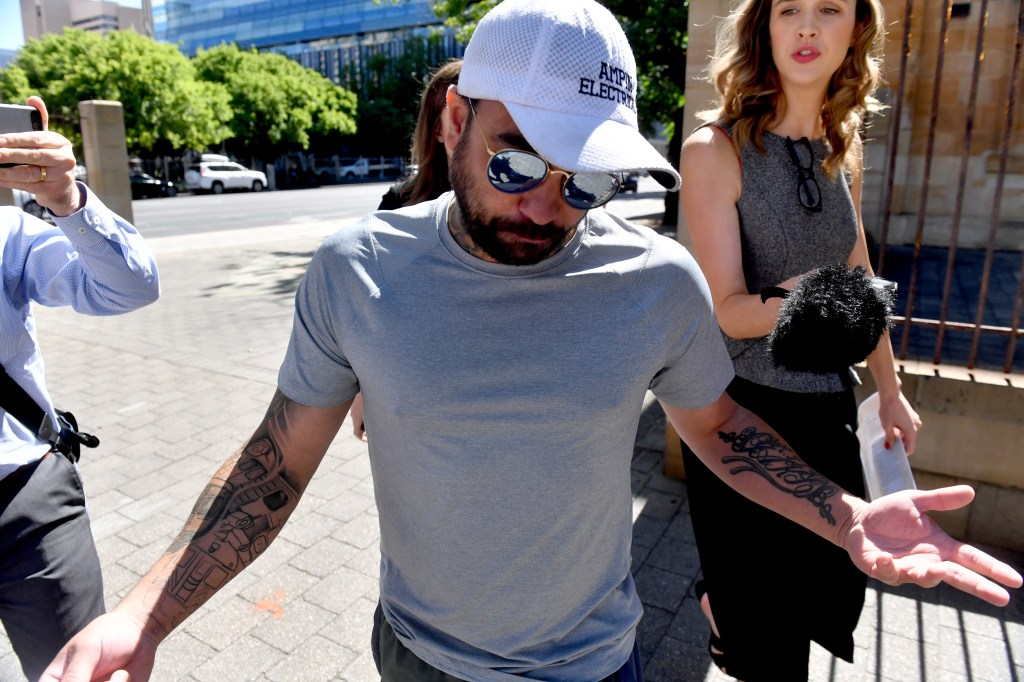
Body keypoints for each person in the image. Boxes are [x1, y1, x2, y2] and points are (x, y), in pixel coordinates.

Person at [43, 2, 1021, 681]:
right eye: (517, 161)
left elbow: (719, 424)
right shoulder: (357, 269)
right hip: (419, 657)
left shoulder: (654, 282)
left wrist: (841, 516)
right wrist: (144, 611)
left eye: (588, 179)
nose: (552, 206)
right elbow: (278, 459)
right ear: (456, 120)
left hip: (597, 664)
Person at [678, 0, 921, 679]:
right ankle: (725, 609)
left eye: (829, 9)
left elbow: (861, 276)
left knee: (821, 597)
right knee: (769, 647)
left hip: (826, 406)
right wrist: (813, 293)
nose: (808, 26)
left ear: (856, 30)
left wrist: (892, 392)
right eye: (789, 9)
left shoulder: (841, 144)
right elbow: (729, 311)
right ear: (766, 29)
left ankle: (718, 602)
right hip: (744, 414)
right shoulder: (713, 150)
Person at [0, 96, 160, 681]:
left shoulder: (9, 233)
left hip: (25, 499)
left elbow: (129, 289)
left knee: (76, 669)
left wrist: (65, 201)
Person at [350, 58, 463, 441]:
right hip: (415, 383)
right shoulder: (401, 204)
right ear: (436, 129)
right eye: (456, 115)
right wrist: (361, 386)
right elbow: (374, 302)